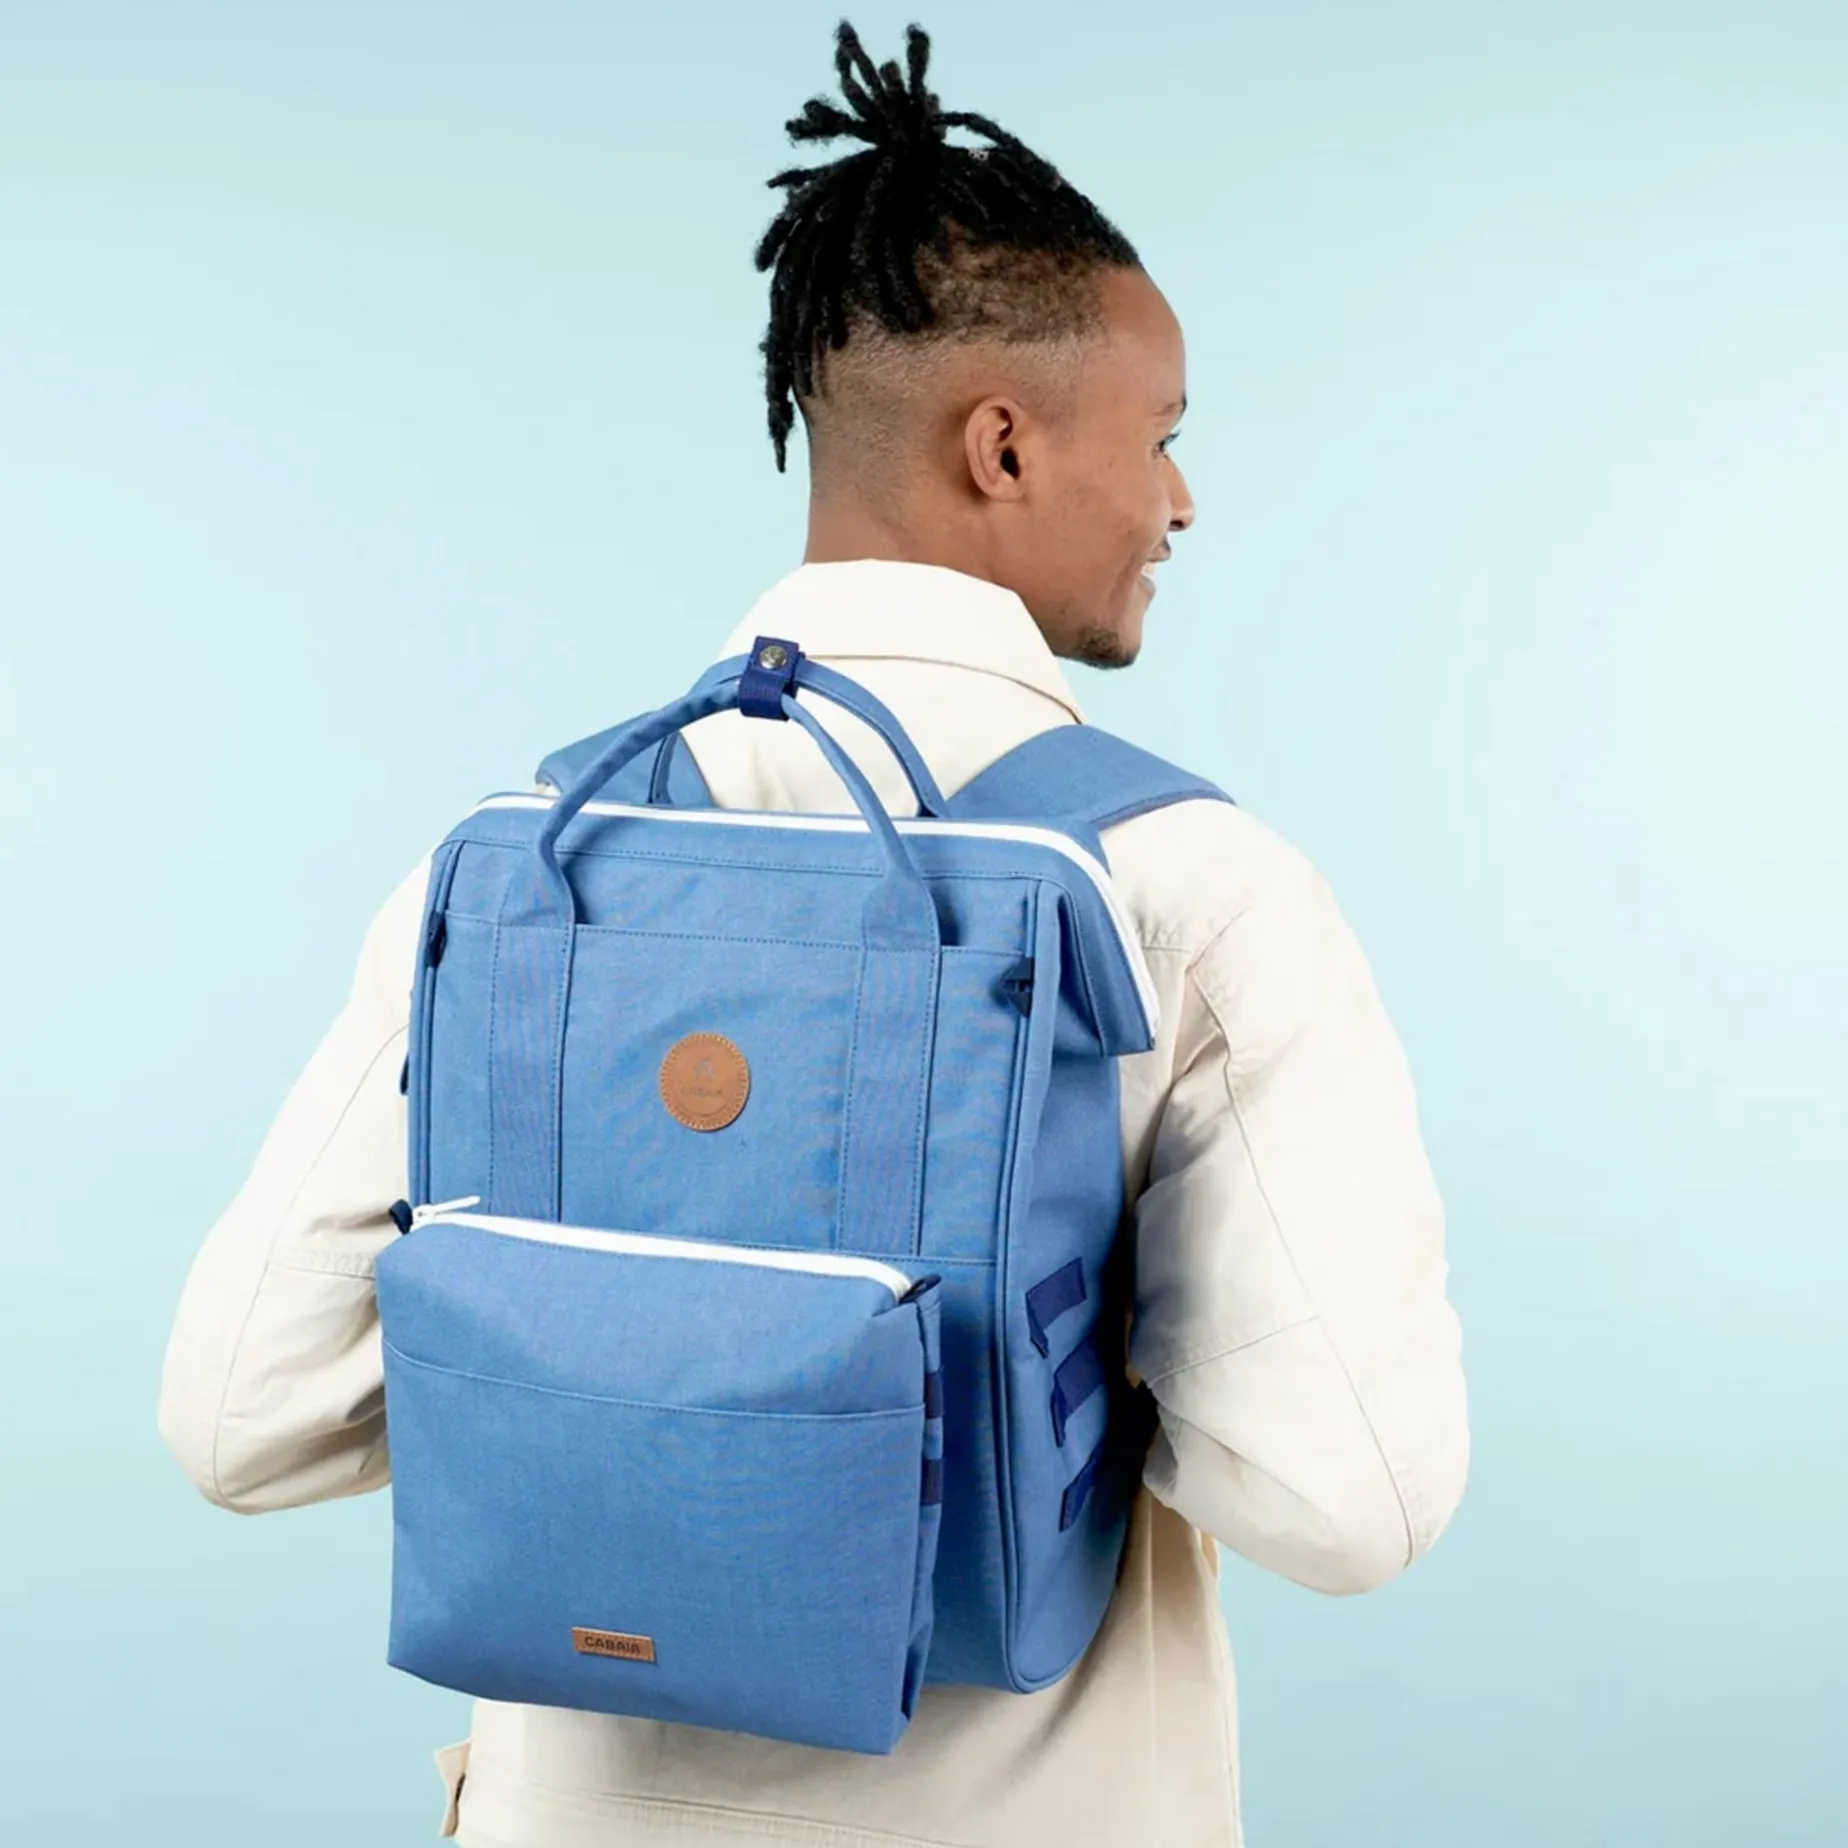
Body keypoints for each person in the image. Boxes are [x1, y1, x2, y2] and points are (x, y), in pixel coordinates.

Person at [159, 21, 1469, 1847]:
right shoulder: (1194, 886)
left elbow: (240, 1418)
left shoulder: (528, 864)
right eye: (1163, 439)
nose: (1181, 501)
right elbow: (1352, 1501)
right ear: (1002, 444)